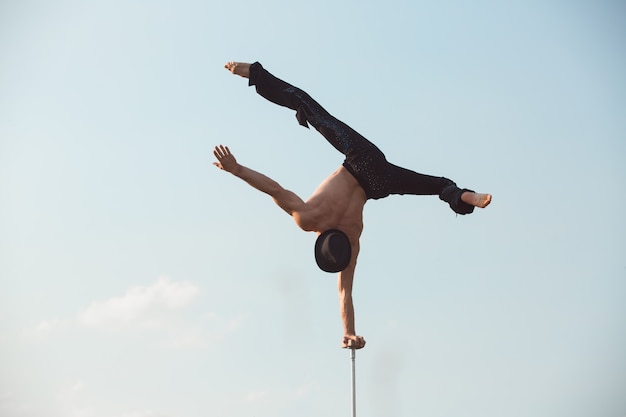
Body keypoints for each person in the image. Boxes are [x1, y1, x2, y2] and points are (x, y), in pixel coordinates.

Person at [214, 61, 492, 349]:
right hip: (360, 158)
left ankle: (461, 197)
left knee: (436, 185)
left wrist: (350, 332)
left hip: (380, 183)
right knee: (306, 105)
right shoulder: (308, 218)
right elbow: (273, 188)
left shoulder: (352, 239)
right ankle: (254, 74)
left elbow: (344, 292)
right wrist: (237, 169)